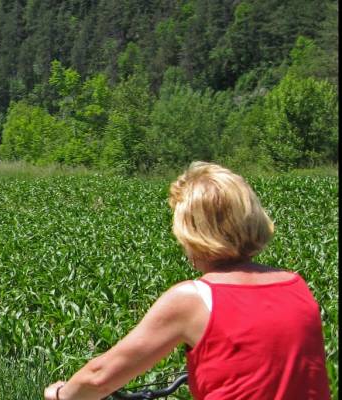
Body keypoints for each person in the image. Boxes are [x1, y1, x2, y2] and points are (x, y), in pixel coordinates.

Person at [43, 162, 331, 400]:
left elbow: (99, 377)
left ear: (193, 233)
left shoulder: (193, 299)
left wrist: (61, 394)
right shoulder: (297, 287)